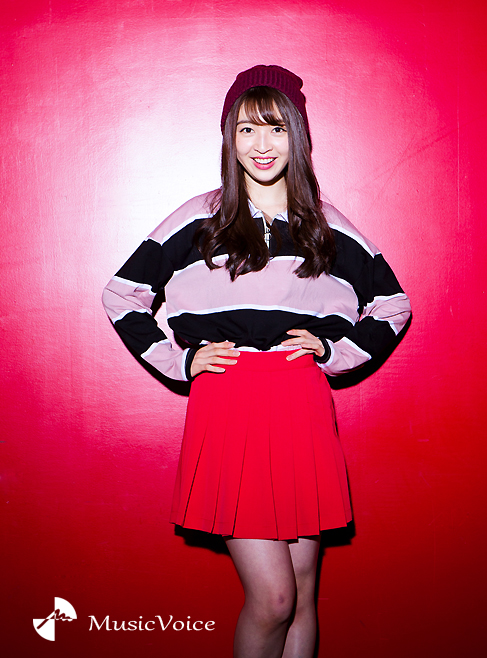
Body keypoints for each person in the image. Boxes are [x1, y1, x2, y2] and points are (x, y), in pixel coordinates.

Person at [102, 65, 411, 658]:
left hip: (300, 405)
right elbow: (123, 295)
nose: (261, 144)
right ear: (229, 137)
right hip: (229, 404)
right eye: (247, 129)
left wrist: (333, 352)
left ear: (299, 135)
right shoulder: (201, 218)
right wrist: (180, 360)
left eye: (276, 128)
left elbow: (393, 304)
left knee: (302, 592)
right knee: (273, 599)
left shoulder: (325, 224)